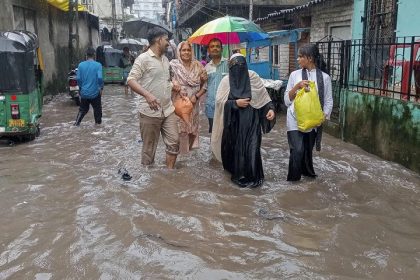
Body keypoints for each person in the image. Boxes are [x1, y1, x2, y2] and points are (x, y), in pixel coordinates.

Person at [211, 53, 276, 188]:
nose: (238, 69)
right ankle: (238, 176)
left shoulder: (253, 77)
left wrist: (270, 110)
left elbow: (264, 98)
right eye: (235, 66)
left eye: (241, 65)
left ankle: (253, 180)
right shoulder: (226, 81)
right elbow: (219, 102)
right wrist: (235, 103)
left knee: (252, 149)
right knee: (235, 151)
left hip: (252, 122)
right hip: (233, 125)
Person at [127, 27, 179, 169]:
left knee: (174, 141)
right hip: (149, 112)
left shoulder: (166, 60)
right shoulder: (143, 59)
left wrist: (173, 84)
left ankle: (169, 175)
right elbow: (131, 80)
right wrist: (148, 95)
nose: (168, 43)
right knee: (149, 151)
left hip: (168, 110)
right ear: (158, 40)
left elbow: (166, 79)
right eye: (166, 39)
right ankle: (149, 182)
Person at [284, 44, 333, 181]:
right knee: (297, 150)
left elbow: (328, 101)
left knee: (306, 152)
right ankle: (293, 181)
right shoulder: (295, 75)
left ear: (310, 58)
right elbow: (286, 100)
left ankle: (307, 177)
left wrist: (323, 116)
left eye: (301, 56)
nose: (298, 59)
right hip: (294, 119)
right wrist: (297, 87)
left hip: (312, 122)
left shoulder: (325, 78)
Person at [170, 41, 208, 155]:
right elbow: (165, 82)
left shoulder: (198, 65)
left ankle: (190, 153)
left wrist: (196, 96)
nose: (186, 52)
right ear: (179, 52)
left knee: (193, 130)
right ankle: (181, 155)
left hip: (194, 104)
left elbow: (205, 86)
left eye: (188, 50)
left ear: (192, 51)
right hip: (179, 103)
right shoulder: (173, 65)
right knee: (181, 130)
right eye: (183, 50)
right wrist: (174, 85)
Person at [74, 46, 104, 126]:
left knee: (83, 110)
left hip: (84, 93)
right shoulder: (98, 65)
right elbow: (100, 78)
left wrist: (80, 88)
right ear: (94, 55)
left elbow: (78, 79)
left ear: (86, 55)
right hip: (95, 93)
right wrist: (100, 87)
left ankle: (76, 124)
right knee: (97, 111)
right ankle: (98, 127)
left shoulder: (80, 65)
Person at [205, 38, 229, 133]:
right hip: (211, 106)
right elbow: (204, 87)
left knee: (227, 134)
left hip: (226, 105)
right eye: (212, 46)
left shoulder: (229, 64)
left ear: (222, 49)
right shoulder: (206, 67)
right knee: (214, 134)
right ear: (208, 50)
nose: (215, 48)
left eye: (217, 46)